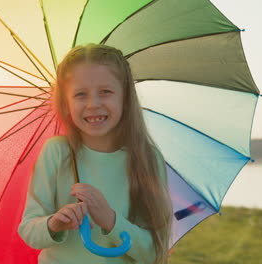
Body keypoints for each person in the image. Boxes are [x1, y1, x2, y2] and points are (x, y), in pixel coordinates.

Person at [18, 43, 173, 264]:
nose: (93, 104)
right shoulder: (57, 152)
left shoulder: (146, 159)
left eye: (106, 92)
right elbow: (29, 229)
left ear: (125, 98)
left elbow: (154, 253)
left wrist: (111, 220)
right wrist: (53, 223)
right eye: (80, 94)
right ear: (66, 103)